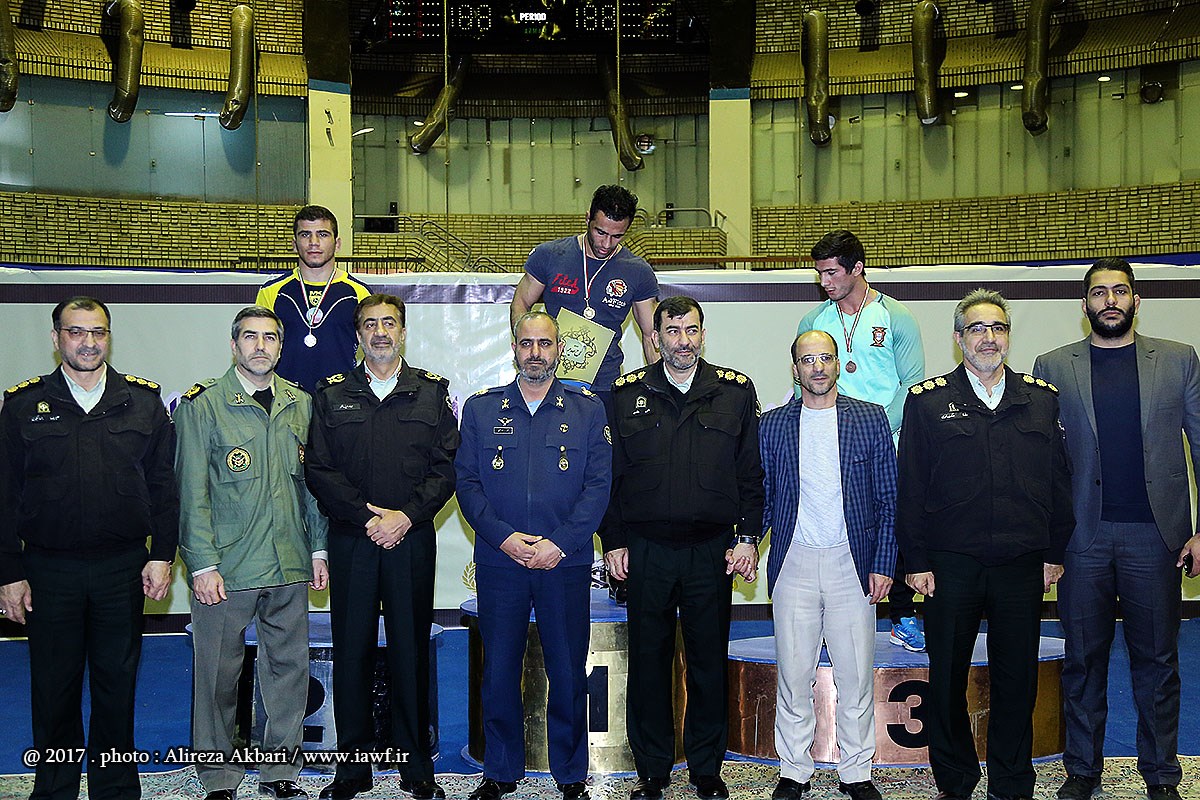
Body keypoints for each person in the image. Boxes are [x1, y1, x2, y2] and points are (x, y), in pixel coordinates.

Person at [1032, 259, 1200, 800]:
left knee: (1158, 663)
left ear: (1136, 300)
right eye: (1099, 292)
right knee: (1083, 661)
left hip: (1156, 536)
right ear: (1084, 305)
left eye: (1120, 291)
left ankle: (1162, 776)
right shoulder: (1052, 366)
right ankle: (1082, 771)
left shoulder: (1178, 359)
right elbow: (1044, 464)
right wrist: (1046, 542)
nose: (1110, 300)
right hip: (1083, 540)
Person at [896, 288, 1073, 800]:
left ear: (1008, 336)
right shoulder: (927, 402)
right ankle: (955, 780)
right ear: (958, 338)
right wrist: (915, 561)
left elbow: (1059, 481)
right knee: (947, 677)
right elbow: (911, 487)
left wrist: (1055, 553)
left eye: (998, 327)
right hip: (951, 566)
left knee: (1016, 680)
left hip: (1022, 564)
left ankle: (1012, 783)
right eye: (977, 328)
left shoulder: (1040, 398)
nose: (988, 338)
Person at [0, 296, 178, 800]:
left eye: (98, 332)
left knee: (116, 686)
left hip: (121, 569)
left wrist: (162, 554)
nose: (88, 342)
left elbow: (164, 487)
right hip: (48, 570)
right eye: (76, 332)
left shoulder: (141, 402)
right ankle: (54, 789)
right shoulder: (22, 405)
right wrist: (8, 571)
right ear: (56, 338)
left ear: (109, 337)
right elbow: (4, 494)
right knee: (53, 688)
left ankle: (114, 788)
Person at [601, 296, 764, 800]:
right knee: (648, 664)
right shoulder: (626, 394)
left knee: (708, 662)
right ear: (655, 338)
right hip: (646, 550)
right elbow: (610, 476)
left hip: (710, 551)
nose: (683, 341)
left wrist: (747, 537)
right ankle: (652, 771)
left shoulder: (734, 391)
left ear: (703, 334)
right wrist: (614, 540)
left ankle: (706, 769)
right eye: (672, 332)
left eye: (691, 330)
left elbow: (750, 473)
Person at [305, 294, 459, 800]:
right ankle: (352, 770)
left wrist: (405, 516)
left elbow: (445, 469)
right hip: (353, 540)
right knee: (352, 652)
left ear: (403, 331)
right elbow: (319, 469)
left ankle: (415, 767)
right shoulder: (331, 395)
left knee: (410, 651)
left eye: (389, 323)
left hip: (410, 540)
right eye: (370, 324)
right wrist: (366, 517)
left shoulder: (431, 393)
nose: (380, 333)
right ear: (358, 335)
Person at [175, 306, 330, 800]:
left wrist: (319, 549)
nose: (260, 346)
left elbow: (311, 488)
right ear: (233, 345)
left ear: (281, 348)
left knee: (288, 675)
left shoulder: (301, 404)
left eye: (269, 338)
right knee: (218, 678)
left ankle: (279, 773)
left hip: (288, 561)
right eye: (250, 337)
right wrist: (201, 564)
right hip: (227, 568)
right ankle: (218, 776)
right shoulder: (203, 406)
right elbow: (190, 493)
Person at [455, 311, 612, 800]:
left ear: (559, 348)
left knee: (567, 671)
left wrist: (559, 543)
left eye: (545, 344)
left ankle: (571, 775)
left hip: (563, 562)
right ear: (514, 348)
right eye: (527, 344)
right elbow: (467, 485)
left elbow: (598, 487)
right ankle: (501, 771)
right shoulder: (482, 410)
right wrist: (504, 538)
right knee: (500, 670)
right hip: (500, 561)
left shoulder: (587, 410)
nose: (535, 353)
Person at [760, 330, 897, 800]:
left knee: (855, 678)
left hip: (852, 564)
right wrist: (745, 542)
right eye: (807, 360)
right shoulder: (772, 425)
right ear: (795, 368)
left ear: (838, 364)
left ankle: (856, 771)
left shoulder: (870, 418)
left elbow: (889, 499)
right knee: (793, 676)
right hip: (793, 561)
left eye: (825, 358)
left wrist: (883, 563)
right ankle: (793, 771)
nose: (817, 367)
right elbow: (763, 497)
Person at [797, 229, 926, 652]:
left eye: (832, 273)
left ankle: (903, 615)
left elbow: (912, 384)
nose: (824, 282)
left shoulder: (896, 317)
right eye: (819, 274)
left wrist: (874, 428)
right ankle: (825, 622)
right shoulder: (814, 322)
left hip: (886, 438)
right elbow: (802, 385)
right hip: (829, 442)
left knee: (894, 521)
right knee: (836, 525)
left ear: (857, 268)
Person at [510, 184, 659, 400]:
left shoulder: (637, 271)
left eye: (617, 236)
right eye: (600, 232)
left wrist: (661, 390)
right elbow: (520, 303)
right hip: (553, 380)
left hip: (605, 383)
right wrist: (528, 350)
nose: (606, 243)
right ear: (588, 218)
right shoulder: (550, 256)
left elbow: (650, 335)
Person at [256, 205, 372, 392]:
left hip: (342, 399)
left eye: (323, 234)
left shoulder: (359, 293)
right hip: (285, 400)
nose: (314, 242)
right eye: (305, 235)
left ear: (337, 244)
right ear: (294, 244)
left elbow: (373, 352)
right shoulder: (272, 291)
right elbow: (258, 349)